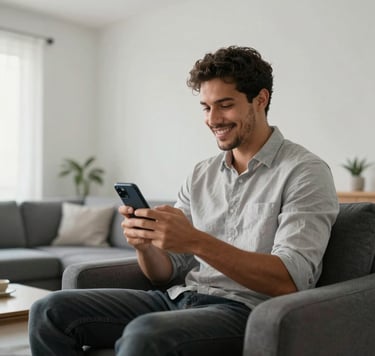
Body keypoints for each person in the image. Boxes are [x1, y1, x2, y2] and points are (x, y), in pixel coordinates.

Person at [29, 46, 339, 356]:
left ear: (260, 99)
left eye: (225, 105)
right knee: (48, 310)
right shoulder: (201, 173)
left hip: (247, 311)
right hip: (181, 297)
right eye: (205, 107)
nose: (213, 119)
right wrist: (145, 245)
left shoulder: (304, 171)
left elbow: (290, 279)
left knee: (145, 335)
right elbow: (164, 272)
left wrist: (196, 241)